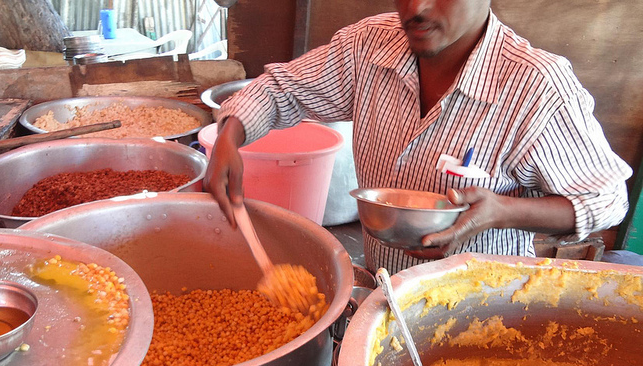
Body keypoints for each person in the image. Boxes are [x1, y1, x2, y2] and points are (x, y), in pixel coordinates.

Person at [204, 0, 632, 275]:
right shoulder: (370, 44)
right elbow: (282, 89)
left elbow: (606, 200)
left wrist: (500, 210)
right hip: (384, 282)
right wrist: (230, 134)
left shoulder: (536, 86)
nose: (417, 7)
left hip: (481, 302)